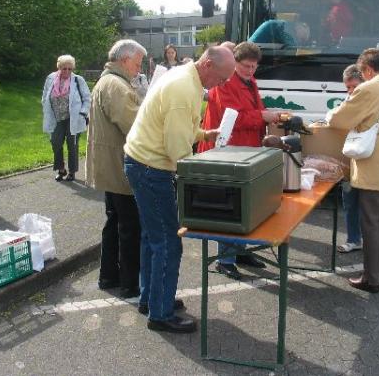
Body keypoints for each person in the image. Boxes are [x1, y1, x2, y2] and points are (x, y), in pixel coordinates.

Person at [124, 46, 235, 333]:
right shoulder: (184, 87)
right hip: (151, 168)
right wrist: (203, 177)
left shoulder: (189, 80)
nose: (222, 84)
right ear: (208, 64)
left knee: (152, 237)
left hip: (144, 163)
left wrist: (204, 134)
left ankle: (151, 299)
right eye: (222, 78)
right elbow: (177, 149)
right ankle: (160, 314)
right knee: (168, 242)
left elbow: (181, 126)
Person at [326, 48, 379, 293]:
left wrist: (332, 114)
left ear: (368, 69)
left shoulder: (368, 89)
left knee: (372, 224)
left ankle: (371, 279)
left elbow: (339, 120)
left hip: (376, 168)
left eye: (362, 72)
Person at [198, 42, 280, 279]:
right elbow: (233, 118)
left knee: (245, 204)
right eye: (246, 66)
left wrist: (265, 116)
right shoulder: (225, 82)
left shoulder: (249, 80)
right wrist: (263, 116)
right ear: (235, 63)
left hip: (246, 148)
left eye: (254, 67)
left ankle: (240, 252)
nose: (250, 71)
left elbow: (254, 109)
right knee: (230, 207)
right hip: (227, 152)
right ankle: (225, 260)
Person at [85, 39, 147, 299]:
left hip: (110, 165)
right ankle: (130, 283)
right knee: (129, 226)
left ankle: (109, 275)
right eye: (137, 63)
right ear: (125, 60)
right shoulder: (116, 85)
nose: (139, 69)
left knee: (115, 222)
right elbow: (135, 127)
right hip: (119, 166)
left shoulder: (109, 81)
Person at [41, 55, 91, 182]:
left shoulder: (78, 80)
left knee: (72, 145)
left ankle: (72, 172)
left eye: (70, 69)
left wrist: (83, 113)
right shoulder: (51, 78)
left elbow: (87, 98)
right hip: (56, 117)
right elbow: (45, 95)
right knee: (55, 142)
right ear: (59, 68)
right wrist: (45, 106)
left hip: (73, 118)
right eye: (64, 69)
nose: (67, 71)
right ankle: (61, 169)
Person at [336, 64, 364, 253]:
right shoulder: (348, 101)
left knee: (369, 205)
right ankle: (354, 239)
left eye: (355, 86)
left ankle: (371, 242)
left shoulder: (371, 100)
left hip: (367, 160)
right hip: (350, 159)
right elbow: (336, 119)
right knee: (350, 200)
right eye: (348, 87)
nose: (351, 90)